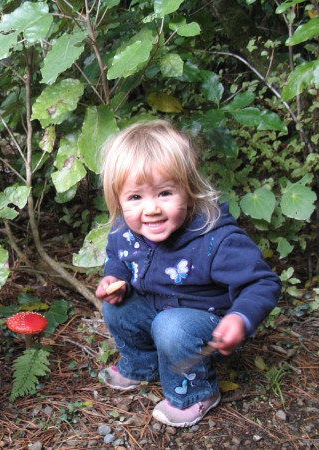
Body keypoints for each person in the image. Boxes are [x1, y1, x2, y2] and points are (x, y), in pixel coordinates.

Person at [95, 120, 281, 428]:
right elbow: (118, 256)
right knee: (118, 308)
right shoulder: (125, 230)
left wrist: (240, 318)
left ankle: (195, 393)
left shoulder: (214, 238)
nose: (151, 209)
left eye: (165, 192)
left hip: (205, 325)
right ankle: (142, 365)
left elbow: (262, 282)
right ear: (118, 199)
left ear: (189, 190)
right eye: (135, 197)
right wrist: (114, 279)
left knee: (173, 327)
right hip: (157, 311)